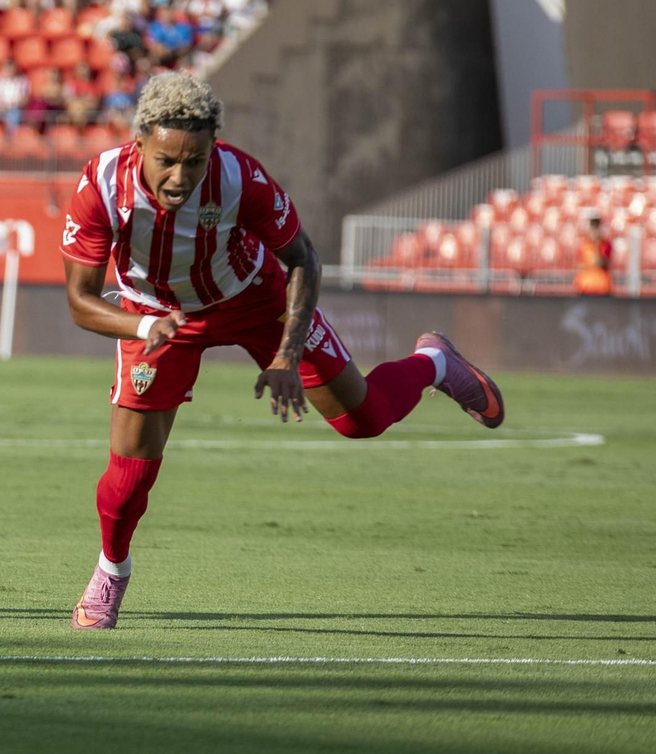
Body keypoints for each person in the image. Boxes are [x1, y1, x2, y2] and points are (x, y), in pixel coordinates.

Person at [59, 71, 506, 630]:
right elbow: (79, 301)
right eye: (167, 160)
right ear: (141, 140)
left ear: (212, 147)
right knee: (130, 477)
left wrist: (286, 357)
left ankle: (434, 362)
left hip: (253, 297)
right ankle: (110, 574)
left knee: (360, 421)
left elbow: (303, 259)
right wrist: (140, 326)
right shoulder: (100, 184)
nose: (180, 176)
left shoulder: (240, 177)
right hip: (156, 316)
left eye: (194, 161)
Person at [574, 213, 613, 295]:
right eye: (592, 228)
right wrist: (591, 264)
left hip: (601, 288)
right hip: (585, 287)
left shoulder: (605, 245)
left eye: (596, 228)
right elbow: (579, 264)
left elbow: (602, 263)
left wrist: (596, 246)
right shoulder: (584, 245)